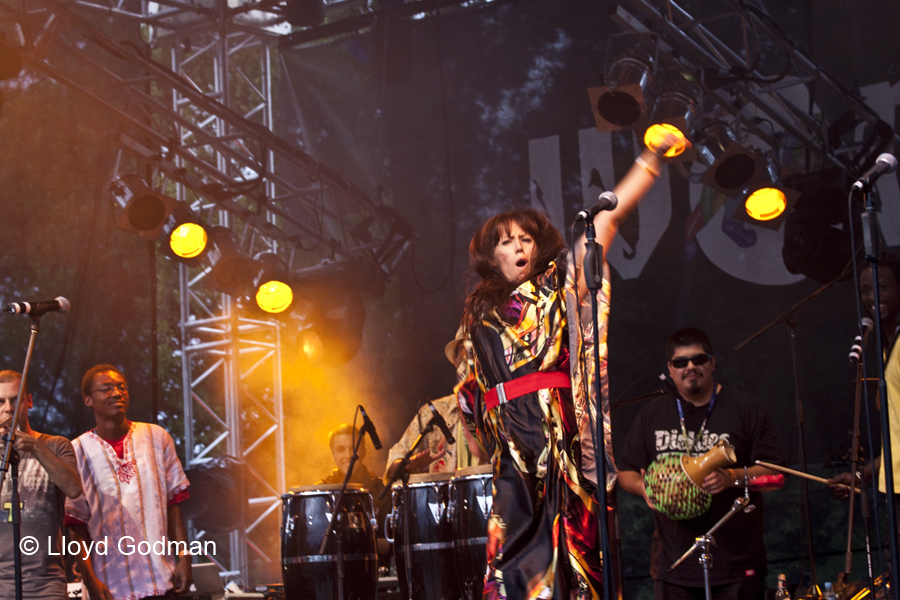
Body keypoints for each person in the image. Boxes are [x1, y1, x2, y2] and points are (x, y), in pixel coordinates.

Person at [454, 139, 674, 599]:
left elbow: (607, 220)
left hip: (558, 438)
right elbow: (469, 392)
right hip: (512, 453)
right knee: (513, 567)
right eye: (505, 241)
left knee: (575, 555)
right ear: (491, 255)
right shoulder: (477, 313)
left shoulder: (559, 284)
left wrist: (650, 159)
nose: (517, 247)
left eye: (525, 239)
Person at [617, 328, 786, 600]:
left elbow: (777, 476)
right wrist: (644, 488)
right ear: (670, 369)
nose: (691, 367)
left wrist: (731, 477)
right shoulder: (652, 413)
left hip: (736, 564)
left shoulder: (745, 409)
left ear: (712, 363)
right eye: (681, 362)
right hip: (675, 565)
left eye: (699, 359)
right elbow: (625, 472)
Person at [65, 364, 193, 600]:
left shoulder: (157, 437)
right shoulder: (77, 451)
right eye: (106, 388)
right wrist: (90, 579)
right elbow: (76, 525)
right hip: (110, 586)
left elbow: (173, 504)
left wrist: (185, 556)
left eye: (121, 387)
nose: (116, 393)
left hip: (163, 580)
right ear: (88, 400)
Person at [0, 370, 82, 599]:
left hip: (47, 585)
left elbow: (74, 488)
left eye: (15, 400)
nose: (8, 408)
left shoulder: (55, 445)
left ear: (29, 401)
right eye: (0, 401)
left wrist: (36, 448)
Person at [828, 255, 900, 501]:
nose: (872, 297)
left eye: (882, 287)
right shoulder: (887, 349)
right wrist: (862, 475)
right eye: (866, 290)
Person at [317, 423, 390, 533]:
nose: (348, 455)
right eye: (341, 450)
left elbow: (391, 543)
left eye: (354, 449)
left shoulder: (382, 489)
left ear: (364, 452)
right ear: (333, 455)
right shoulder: (320, 491)